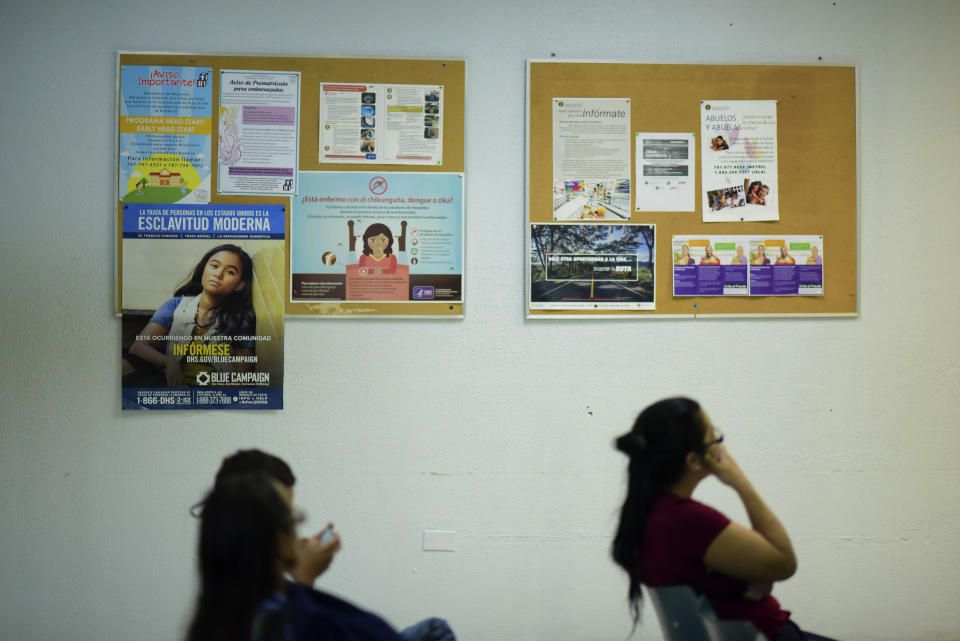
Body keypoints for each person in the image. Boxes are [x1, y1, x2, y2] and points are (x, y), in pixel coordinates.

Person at [611, 398, 836, 641]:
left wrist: (751, 576)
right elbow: (784, 562)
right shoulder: (689, 520)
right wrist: (739, 482)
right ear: (694, 460)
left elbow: (706, 575)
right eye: (713, 435)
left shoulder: (651, 513)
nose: (720, 445)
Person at [197, 449, 456, 641]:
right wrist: (304, 580)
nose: (295, 531)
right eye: (288, 517)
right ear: (274, 533)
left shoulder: (222, 600)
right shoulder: (283, 619)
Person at [122, 244, 255, 388]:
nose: (218, 274)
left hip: (212, 395)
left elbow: (241, 378)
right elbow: (139, 346)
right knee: (125, 364)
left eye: (230, 272)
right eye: (214, 266)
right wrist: (169, 363)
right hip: (173, 385)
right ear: (204, 268)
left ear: (240, 285)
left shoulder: (241, 317)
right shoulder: (175, 305)